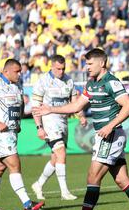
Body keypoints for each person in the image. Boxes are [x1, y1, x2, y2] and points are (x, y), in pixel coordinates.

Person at [33, 48, 129, 210]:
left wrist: (110, 126)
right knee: (122, 180)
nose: (86, 67)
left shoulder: (111, 82)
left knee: (93, 177)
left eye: (90, 64)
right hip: (107, 136)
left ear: (102, 63)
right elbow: (76, 105)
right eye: (86, 63)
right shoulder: (91, 84)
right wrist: (51, 109)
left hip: (110, 136)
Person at [0, 59, 45, 210]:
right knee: (14, 164)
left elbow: (19, 104)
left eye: (20, 71)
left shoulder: (17, 86)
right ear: (6, 71)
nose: (20, 74)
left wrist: (18, 121)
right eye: (17, 71)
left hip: (11, 132)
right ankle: (27, 203)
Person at [31, 55, 87, 201]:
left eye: (63, 69)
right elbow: (36, 107)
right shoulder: (43, 82)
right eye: (58, 69)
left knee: (55, 159)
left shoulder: (69, 81)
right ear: (51, 66)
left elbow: (75, 102)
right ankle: (64, 192)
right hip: (49, 122)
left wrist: (80, 116)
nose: (61, 72)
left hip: (63, 121)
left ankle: (38, 184)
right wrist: (39, 127)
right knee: (61, 153)